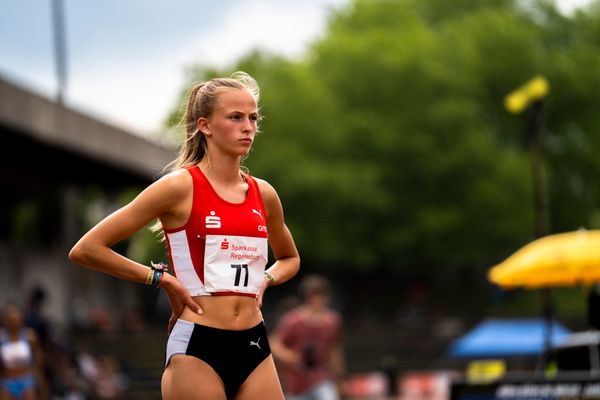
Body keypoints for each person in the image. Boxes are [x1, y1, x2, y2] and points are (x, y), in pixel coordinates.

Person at [68, 71, 300, 400]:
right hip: (198, 346)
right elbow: (86, 249)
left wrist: (267, 278)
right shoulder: (179, 187)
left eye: (253, 118)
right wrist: (160, 279)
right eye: (235, 117)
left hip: (254, 342)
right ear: (204, 125)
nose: (248, 127)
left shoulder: (264, 194)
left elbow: (290, 258)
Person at [270, 275, 345, 400]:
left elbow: (334, 350)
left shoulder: (332, 321)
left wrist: (340, 378)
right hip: (296, 381)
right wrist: (290, 356)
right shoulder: (292, 320)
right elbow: (274, 343)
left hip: (321, 377)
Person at [0, 303, 48, 400]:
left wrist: (43, 387)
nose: (13, 322)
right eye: (10, 319)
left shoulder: (30, 337)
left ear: (21, 319)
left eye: (15, 318)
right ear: (6, 320)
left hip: (26, 382)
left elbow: (37, 364)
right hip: (7, 382)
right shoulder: (1, 338)